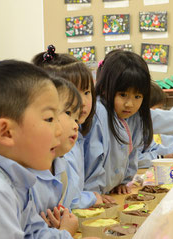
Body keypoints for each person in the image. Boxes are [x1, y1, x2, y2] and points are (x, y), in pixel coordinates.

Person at [0, 60, 77, 238]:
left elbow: (34, 233)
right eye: (49, 119)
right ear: (6, 132)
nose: (59, 130)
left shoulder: (17, 178)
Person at [32, 45, 115, 204]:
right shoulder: (57, 146)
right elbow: (66, 201)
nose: (82, 102)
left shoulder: (76, 134)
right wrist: (91, 198)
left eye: (86, 92)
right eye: (73, 95)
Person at [28, 77, 103, 229]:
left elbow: (72, 200)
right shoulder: (24, 176)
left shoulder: (62, 165)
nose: (75, 125)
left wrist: (90, 198)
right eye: (68, 113)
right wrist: (63, 232)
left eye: (76, 119)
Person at [84, 50, 154, 195]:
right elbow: (93, 159)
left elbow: (132, 153)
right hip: (93, 195)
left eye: (137, 96)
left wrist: (121, 182)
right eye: (123, 95)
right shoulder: (99, 113)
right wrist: (94, 193)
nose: (130, 104)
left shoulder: (134, 117)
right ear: (104, 88)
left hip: (108, 192)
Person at [137, 82, 173, 169]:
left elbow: (154, 147)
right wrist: (161, 158)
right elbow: (136, 159)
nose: (161, 112)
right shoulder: (137, 128)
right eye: (159, 108)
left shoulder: (147, 127)